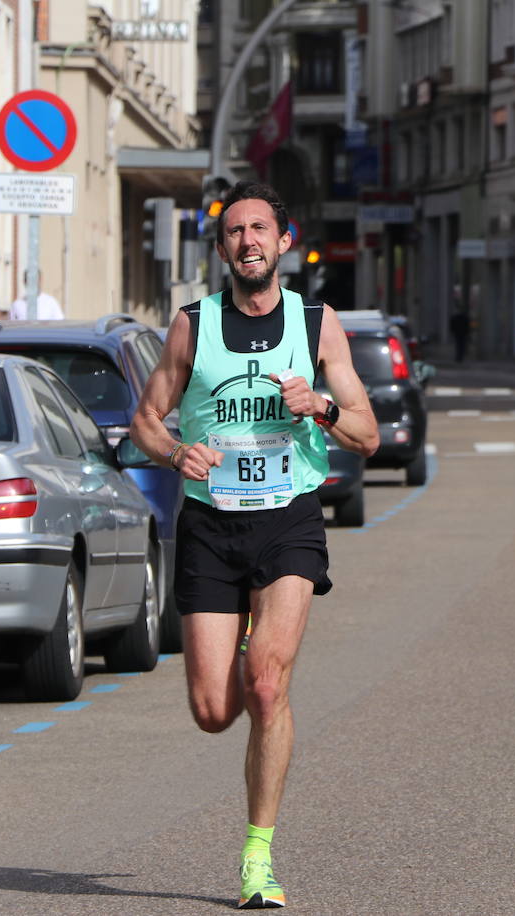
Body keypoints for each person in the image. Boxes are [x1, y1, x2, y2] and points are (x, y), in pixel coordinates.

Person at [129, 181, 378, 910]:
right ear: (222, 249)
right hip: (211, 524)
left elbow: (365, 432)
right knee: (214, 711)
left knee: (267, 687)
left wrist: (321, 406)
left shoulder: (316, 323)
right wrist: (177, 453)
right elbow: (145, 420)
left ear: (283, 241)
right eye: (235, 231)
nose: (248, 242)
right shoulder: (193, 325)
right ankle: (243, 642)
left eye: (260, 229)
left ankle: (258, 857)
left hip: (288, 519)